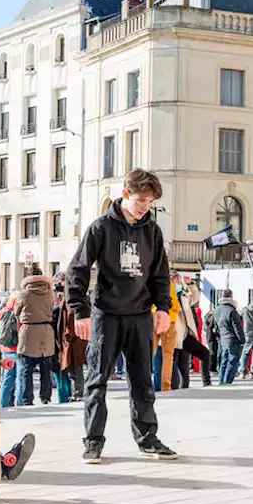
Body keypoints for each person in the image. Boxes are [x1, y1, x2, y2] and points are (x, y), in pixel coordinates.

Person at [65, 168, 179, 464]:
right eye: (141, 200)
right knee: (97, 380)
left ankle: (148, 439)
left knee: (142, 379)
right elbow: (77, 268)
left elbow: (160, 275)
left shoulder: (152, 231)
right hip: (107, 314)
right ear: (126, 194)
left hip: (140, 314)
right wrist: (80, 310)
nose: (145, 208)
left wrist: (163, 308)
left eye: (150, 203)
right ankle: (93, 441)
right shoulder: (101, 227)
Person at [15, 265, 55, 406]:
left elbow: (16, 312)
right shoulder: (50, 293)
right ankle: (46, 396)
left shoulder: (23, 294)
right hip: (46, 331)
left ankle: (27, 399)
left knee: (27, 369)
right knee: (45, 367)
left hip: (29, 331)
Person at [54, 276, 87, 402]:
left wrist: (68, 334)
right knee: (76, 366)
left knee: (74, 366)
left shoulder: (69, 298)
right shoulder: (77, 296)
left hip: (73, 339)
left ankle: (78, 393)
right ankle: (78, 392)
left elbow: (69, 316)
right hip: (77, 337)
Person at [0, 294, 20, 408]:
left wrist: (0, 339)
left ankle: (4, 403)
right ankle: (19, 403)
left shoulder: (3, 311)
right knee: (19, 379)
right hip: (18, 348)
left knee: (7, 379)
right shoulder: (20, 312)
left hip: (6, 350)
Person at [213, 290, 245, 384]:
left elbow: (216, 327)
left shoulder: (217, 310)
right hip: (233, 339)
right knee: (232, 362)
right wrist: (242, 340)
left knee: (224, 361)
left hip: (223, 339)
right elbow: (237, 328)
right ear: (231, 296)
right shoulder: (232, 311)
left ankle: (221, 381)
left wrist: (220, 337)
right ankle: (227, 382)